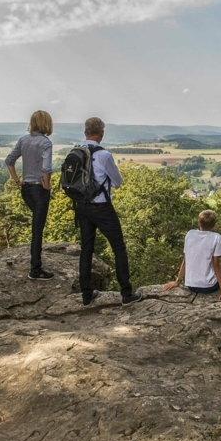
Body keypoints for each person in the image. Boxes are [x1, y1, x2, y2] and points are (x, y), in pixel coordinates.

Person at [75, 117, 142, 307]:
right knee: (118, 248)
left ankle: (86, 295)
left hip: (82, 206)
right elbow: (118, 182)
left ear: (85, 132)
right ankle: (126, 294)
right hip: (102, 207)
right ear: (102, 133)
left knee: (86, 249)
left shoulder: (76, 151)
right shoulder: (104, 155)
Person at [5, 110, 54, 280]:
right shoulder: (45, 143)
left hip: (26, 189)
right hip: (39, 190)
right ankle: (35, 270)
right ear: (47, 124)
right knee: (37, 230)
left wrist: (18, 181)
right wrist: (47, 186)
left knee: (36, 227)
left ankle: (36, 265)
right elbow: (47, 168)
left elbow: (9, 161)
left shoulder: (23, 140)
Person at [164, 210, 221, 300]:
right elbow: (216, 266)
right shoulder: (216, 237)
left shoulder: (190, 234)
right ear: (214, 225)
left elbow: (185, 261)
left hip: (191, 285)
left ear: (198, 222)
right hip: (208, 287)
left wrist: (178, 281)